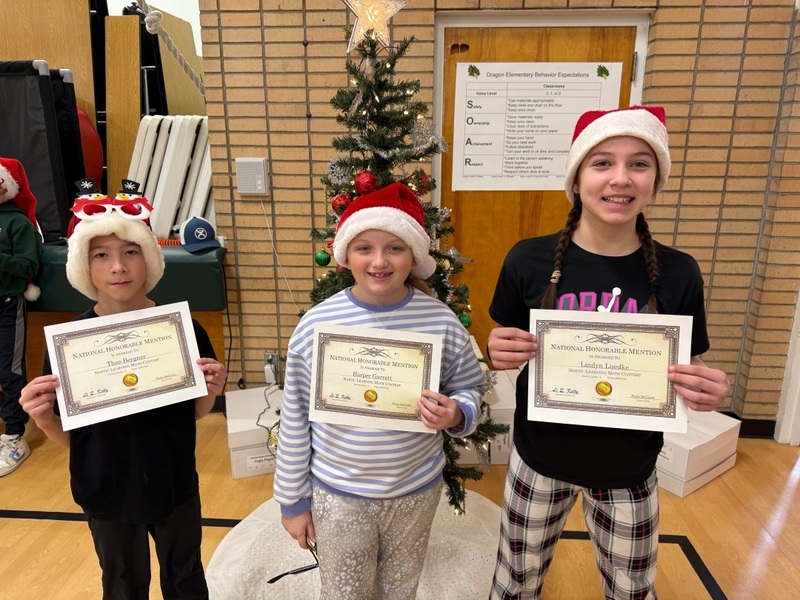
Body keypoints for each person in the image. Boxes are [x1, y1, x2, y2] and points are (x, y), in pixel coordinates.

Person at [487, 106, 731, 600]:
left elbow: (691, 365)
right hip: (538, 458)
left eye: (639, 164)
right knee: (515, 582)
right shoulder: (527, 259)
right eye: (601, 163)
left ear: (656, 181)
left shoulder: (679, 272)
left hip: (630, 468)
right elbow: (504, 343)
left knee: (632, 590)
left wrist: (707, 387)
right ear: (576, 178)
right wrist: (497, 350)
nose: (620, 178)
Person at [273, 182, 488, 600]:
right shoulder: (318, 325)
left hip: (416, 490)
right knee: (345, 590)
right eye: (364, 248)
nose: (379, 261)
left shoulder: (440, 321)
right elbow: (295, 416)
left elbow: (470, 385)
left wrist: (457, 413)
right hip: (340, 492)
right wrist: (292, 501)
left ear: (415, 256)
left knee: (400, 588)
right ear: (345, 255)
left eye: (395, 248)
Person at [19, 183, 227, 599]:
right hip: (105, 489)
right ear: (84, 266)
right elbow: (73, 439)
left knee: (185, 577)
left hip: (174, 483)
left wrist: (210, 389)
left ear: (149, 258)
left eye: (130, 252)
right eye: (102, 255)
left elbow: (193, 414)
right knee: (122, 584)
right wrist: (42, 418)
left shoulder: (182, 329)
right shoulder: (70, 344)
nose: (119, 267)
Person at [0, 157, 42, 476]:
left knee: (10, 372)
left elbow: (29, 267)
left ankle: (14, 435)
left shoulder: (17, 223)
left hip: (7, 304)